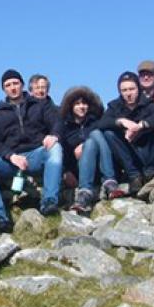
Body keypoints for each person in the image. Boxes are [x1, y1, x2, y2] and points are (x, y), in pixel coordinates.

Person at [0, 69, 63, 235]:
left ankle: (49, 201)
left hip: (36, 154)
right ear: (4, 89)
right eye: (8, 85)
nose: (12, 88)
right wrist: (11, 156)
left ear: (22, 85)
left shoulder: (39, 104)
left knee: (55, 148)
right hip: (11, 160)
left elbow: (57, 122)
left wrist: (54, 135)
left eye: (15, 83)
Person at [99, 72, 154, 196]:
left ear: (138, 88)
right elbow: (102, 123)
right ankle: (134, 176)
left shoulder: (147, 103)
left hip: (149, 151)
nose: (128, 93)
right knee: (109, 133)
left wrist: (141, 126)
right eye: (124, 90)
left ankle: (152, 172)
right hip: (130, 153)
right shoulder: (115, 106)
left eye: (132, 89)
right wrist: (121, 121)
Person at [60, 87, 124, 215]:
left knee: (95, 134)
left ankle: (107, 182)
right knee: (91, 141)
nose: (82, 107)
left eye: (84, 103)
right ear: (71, 106)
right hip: (79, 169)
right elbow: (62, 152)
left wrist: (83, 145)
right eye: (77, 104)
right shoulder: (65, 128)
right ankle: (89, 189)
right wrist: (65, 171)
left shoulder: (96, 122)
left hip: (100, 166)